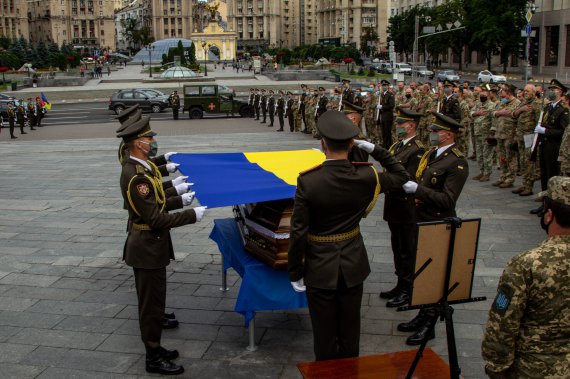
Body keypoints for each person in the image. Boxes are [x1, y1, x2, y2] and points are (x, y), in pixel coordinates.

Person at [288, 110, 408, 361]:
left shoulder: (309, 181)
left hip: (320, 266)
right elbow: (400, 175)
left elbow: (298, 231)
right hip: (353, 263)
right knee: (350, 331)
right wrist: (376, 149)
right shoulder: (367, 176)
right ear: (352, 144)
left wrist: (296, 272)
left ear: (323, 144)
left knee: (324, 334)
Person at [117, 115, 207, 375]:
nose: (152, 141)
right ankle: (153, 357)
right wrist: (191, 215)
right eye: (148, 138)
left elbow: (156, 201)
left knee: (155, 302)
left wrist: (179, 196)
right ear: (137, 143)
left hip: (150, 246)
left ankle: (155, 348)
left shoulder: (141, 168)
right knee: (151, 306)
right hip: (146, 248)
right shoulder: (136, 177)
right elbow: (155, 218)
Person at [482, 176, 570, 379]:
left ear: (548, 216)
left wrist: (496, 369)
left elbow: (502, 325)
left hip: (533, 369)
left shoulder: (527, 264)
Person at [397, 112, 469, 345]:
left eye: (435, 131)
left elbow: (448, 200)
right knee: (422, 272)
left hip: (438, 223)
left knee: (434, 275)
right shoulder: (432, 154)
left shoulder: (456, 162)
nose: (431, 135)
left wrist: (416, 190)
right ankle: (422, 314)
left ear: (448, 134)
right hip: (421, 220)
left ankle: (430, 323)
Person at [381, 108, 426, 307]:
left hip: (407, 208)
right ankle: (400, 284)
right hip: (394, 206)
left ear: (411, 126)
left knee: (408, 250)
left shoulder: (417, 149)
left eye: (401, 124)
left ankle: (409, 289)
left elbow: (408, 178)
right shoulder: (398, 146)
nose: (397, 127)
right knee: (397, 248)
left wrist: (380, 181)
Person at [530, 79, 569, 215]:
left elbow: (563, 131)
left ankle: (550, 207)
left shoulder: (562, 111)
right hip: (544, 145)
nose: (551, 91)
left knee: (551, 176)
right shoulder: (547, 108)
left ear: (560, 92)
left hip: (553, 147)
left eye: (554, 89)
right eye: (550, 89)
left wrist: (545, 131)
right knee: (544, 175)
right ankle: (544, 203)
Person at [470, 85, 495, 182]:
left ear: (488, 96)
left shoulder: (492, 106)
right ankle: (482, 171)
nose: (482, 97)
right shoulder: (478, 104)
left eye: (484, 95)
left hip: (486, 133)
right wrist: (476, 113)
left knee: (487, 154)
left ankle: (487, 173)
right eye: (481, 95)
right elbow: (471, 113)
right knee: (479, 154)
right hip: (477, 132)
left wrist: (492, 132)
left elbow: (494, 119)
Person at [378, 79, 395, 148]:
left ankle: (388, 146)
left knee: (388, 132)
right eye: (383, 85)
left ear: (388, 86)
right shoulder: (382, 94)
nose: (384, 87)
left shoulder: (390, 95)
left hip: (388, 115)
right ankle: (385, 144)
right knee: (384, 131)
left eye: (385, 85)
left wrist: (382, 106)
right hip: (383, 115)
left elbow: (391, 105)